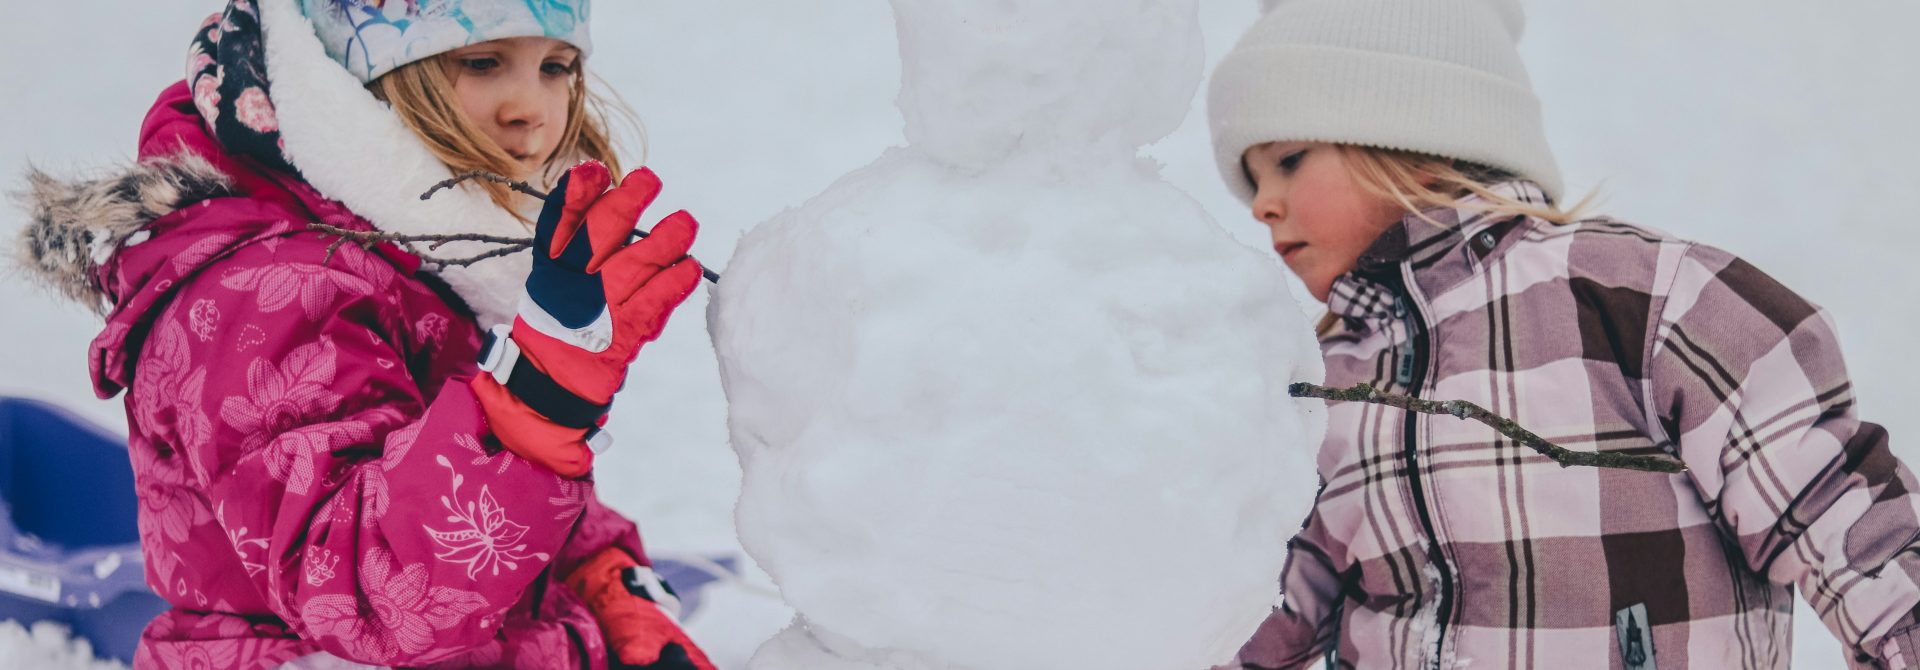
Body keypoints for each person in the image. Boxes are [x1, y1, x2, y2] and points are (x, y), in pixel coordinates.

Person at [1205, 0, 1920, 667]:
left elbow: (1834, 510)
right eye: (1251, 179)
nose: (1263, 204)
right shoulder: (1325, 386)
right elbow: (1252, 613)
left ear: (1404, 134)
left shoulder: (1637, 298)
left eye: (1289, 160)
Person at [15, 0, 712, 667]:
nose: (531, 110)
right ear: (356, 74)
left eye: (556, 66)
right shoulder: (267, 290)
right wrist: (537, 405)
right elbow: (363, 592)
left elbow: (432, 459)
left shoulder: (403, 260)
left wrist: (598, 573)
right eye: (481, 61)